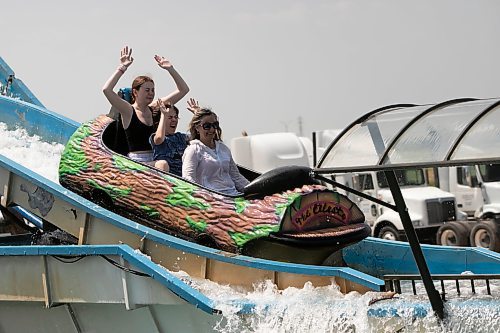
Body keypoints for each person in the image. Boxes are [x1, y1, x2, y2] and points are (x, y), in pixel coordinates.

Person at [102, 46, 189, 166]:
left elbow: (183, 90)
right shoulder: (128, 110)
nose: (151, 93)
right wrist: (122, 67)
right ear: (135, 92)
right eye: (147, 90)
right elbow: (107, 90)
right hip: (136, 162)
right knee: (162, 164)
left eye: (153, 90)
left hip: (154, 158)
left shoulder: (154, 107)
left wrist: (170, 69)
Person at [182, 107, 249, 195]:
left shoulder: (223, 149)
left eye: (215, 125)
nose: (212, 129)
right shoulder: (193, 150)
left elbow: (236, 177)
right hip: (210, 200)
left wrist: (254, 189)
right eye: (207, 126)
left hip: (233, 196)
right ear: (197, 128)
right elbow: (188, 179)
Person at [150, 98, 200, 175]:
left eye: (176, 117)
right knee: (162, 164)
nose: (174, 120)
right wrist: (163, 115)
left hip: (183, 176)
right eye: (169, 117)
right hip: (167, 176)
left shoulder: (181, 137)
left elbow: (199, 137)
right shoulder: (155, 137)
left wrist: (198, 115)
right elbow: (159, 138)